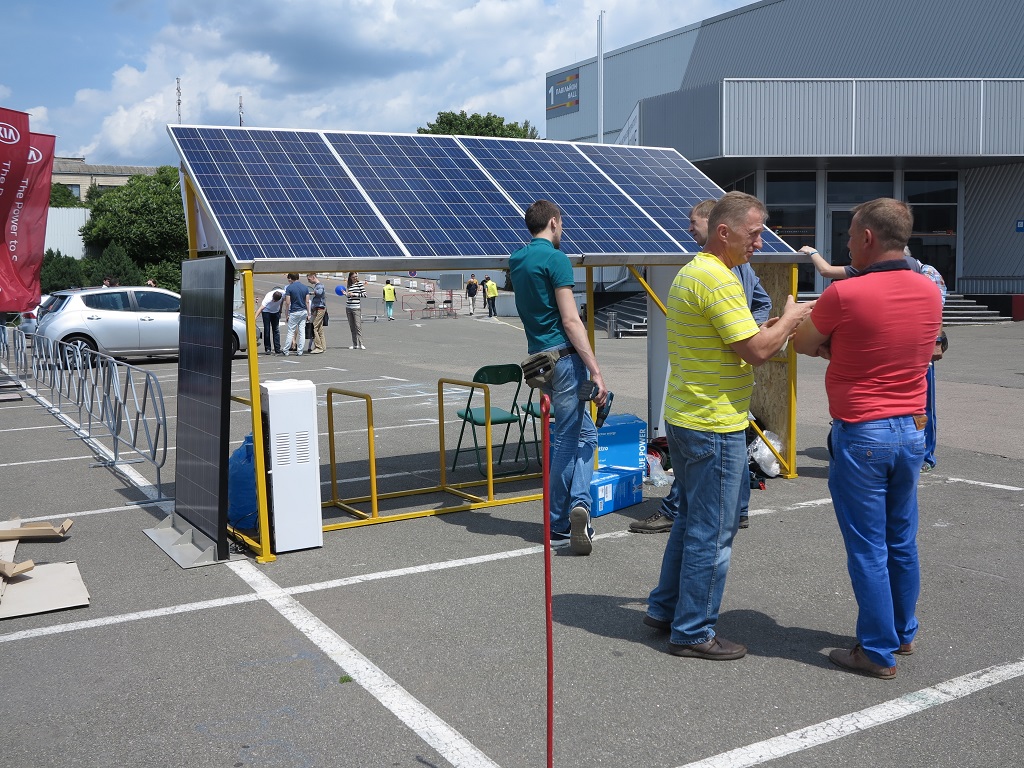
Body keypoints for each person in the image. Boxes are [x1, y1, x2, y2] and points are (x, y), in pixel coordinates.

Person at [644, 191, 813, 660]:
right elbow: (758, 351)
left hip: (689, 415)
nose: (760, 241)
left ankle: (664, 609)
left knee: (690, 524)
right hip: (712, 423)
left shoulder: (696, 273)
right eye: (754, 232)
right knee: (712, 532)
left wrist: (772, 326)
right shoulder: (717, 279)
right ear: (725, 231)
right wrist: (793, 319)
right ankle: (694, 630)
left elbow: (743, 336)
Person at [794, 198, 941, 679]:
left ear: (869, 238)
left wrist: (837, 347)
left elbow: (802, 342)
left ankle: (875, 651)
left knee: (868, 548)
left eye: (851, 235)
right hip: (912, 430)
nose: (848, 244)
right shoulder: (929, 291)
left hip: (864, 432)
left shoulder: (845, 293)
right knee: (902, 539)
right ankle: (903, 632)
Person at [631, 198, 772, 534]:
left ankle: (696, 511)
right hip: (716, 405)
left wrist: (745, 332)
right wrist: (747, 333)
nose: (688, 228)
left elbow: (755, 329)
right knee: (713, 509)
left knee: (706, 527)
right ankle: (732, 511)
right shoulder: (715, 273)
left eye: (693, 221)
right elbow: (753, 338)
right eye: (753, 234)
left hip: (709, 406)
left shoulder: (716, 273)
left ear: (716, 226)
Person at [509, 200, 608, 556]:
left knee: (584, 434)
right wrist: (595, 370)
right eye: (561, 225)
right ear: (553, 223)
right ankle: (558, 522)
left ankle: (579, 504)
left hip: (538, 363)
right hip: (565, 360)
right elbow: (570, 320)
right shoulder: (556, 259)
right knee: (567, 440)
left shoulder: (517, 260)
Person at [802, 244, 947, 471]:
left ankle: (926, 456)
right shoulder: (868, 273)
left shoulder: (925, 276)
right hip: (885, 363)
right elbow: (828, 271)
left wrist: (936, 343)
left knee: (921, 409)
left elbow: (934, 312)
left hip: (912, 355)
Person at [282, 273, 310, 357]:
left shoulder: (289, 288)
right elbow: (307, 301)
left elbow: (287, 303)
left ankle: (286, 350)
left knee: (291, 331)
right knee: (302, 331)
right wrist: (309, 313)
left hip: (294, 311)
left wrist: (286, 314)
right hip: (303, 311)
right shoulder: (305, 287)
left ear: (291, 278)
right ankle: (300, 351)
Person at [254, 285, 285, 355]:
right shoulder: (268, 298)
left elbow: (283, 300)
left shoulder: (283, 293)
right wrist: (254, 318)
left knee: (276, 330)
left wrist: (280, 309)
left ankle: (277, 348)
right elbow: (260, 309)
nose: (274, 301)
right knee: (267, 330)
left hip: (275, 312)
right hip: (266, 312)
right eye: (273, 300)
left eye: (275, 301)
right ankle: (268, 348)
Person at [306, 273, 327, 354]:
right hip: (318, 308)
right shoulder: (317, 285)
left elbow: (319, 292)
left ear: (313, 277)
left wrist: (313, 292)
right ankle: (323, 346)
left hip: (320, 308)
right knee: (320, 328)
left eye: (309, 279)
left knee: (314, 326)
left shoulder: (320, 285)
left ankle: (318, 347)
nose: (309, 281)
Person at [345, 271, 367, 349]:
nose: (355, 278)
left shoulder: (359, 284)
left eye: (356, 277)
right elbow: (348, 296)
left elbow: (364, 295)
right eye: (353, 277)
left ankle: (361, 343)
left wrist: (355, 294)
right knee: (352, 326)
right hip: (348, 307)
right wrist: (346, 294)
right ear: (350, 278)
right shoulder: (349, 285)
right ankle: (355, 344)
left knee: (358, 326)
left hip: (356, 307)